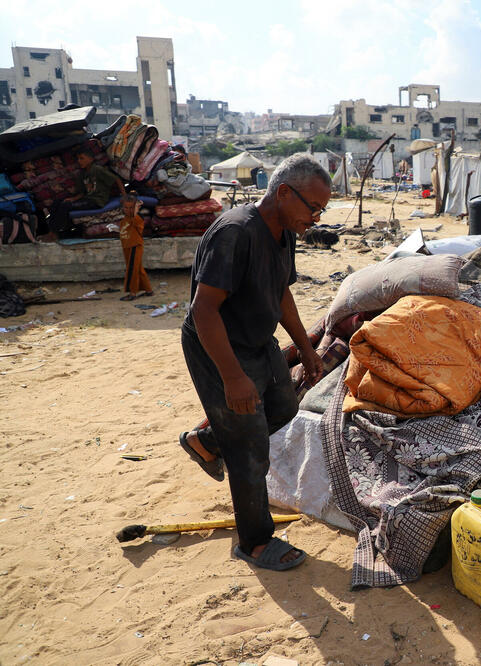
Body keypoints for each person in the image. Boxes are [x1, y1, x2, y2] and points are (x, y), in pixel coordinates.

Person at [178, 154, 330, 571]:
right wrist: (232, 377)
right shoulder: (235, 233)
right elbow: (204, 311)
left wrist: (306, 347)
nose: (315, 218)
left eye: (322, 210)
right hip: (218, 346)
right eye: (312, 208)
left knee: (284, 406)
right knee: (249, 448)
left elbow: (281, 293)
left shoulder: (284, 232)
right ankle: (255, 542)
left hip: (257, 339)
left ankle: (207, 440)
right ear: (283, 192)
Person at [42, 151, 125, 241]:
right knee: (57, 202)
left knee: (65, 206)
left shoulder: (97, 169)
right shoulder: (83, 174)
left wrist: (124, 196)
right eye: (78, 159)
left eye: (82, 158)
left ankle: (54, 234)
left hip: (97, 201)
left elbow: (116, 179)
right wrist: (72, 199)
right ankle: (50, 232)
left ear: (91, 159)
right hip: (87, 199)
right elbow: (83, 193)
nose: (79, 161)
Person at [118, 194, 153, 301]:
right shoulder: (124, 219)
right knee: (138, 268)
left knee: (132, 269)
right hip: (127, 246)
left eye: (131, 208)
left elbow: (136, 223)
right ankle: (148, 290)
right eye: (126, 208)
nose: (128, 210)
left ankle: (132, 293)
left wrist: (136, 208)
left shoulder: (137, 218)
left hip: (135, 246)